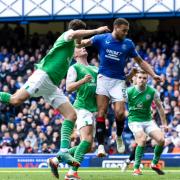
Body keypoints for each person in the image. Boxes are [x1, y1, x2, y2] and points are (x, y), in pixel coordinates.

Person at [0, 19, 109, 178]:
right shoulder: (66, 36)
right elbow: (76, 35)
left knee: (71, 115)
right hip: (43, 76)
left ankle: (63, 152)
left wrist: (106, 39)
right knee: (15, 100)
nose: (80, 43)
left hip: (51, 85)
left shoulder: (73, 45)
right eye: (78, 37)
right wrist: (97, 30)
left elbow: (84, 41)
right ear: (76, 31)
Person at [76, 18, 161, 156]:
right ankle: (101, 146)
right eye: (124, 30)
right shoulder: (101, 38)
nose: (126, 33)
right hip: (103, 79)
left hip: (118, 81)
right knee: (101, 112)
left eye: (127, 31)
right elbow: (80, 44)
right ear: (116, 28)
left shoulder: (128, 44)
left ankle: (119, 136)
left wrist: (153, 74)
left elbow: (140, 61)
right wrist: (79, 35)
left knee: (120, 114)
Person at [48, 47, 98, 180]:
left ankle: (55, 160)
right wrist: (83, 81)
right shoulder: (74, 68)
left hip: (93, 110)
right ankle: (72, 172)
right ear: (74, 54)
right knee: (86, 140)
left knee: (89, 147)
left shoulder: (95, 69)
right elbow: (69, 87)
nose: (83, 48)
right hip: (82, 108)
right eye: (79, 48)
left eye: (84, 46)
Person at [127, 70, 167, 175]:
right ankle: (136, 168)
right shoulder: (129, 91)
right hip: (134, 121)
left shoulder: (152, 91)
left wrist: (165, 124)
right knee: (142, 138)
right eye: (140, 77)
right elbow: (119, 104)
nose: (142, 80)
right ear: (135, 78)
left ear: (147, 80)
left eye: (144, 78)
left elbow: (160, 107)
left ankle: (154, 163)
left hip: (148, 121)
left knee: (161, 140)